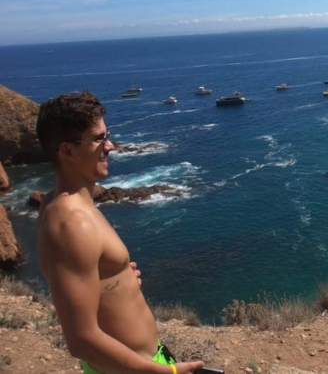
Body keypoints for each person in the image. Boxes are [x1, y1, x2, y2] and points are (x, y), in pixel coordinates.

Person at [35, 90, 206, 374]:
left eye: (107, 135)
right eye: (98, 138)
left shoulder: (61, 203)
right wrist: (164, 371)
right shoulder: (73, 224)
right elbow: (80, 340)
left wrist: (119, 277)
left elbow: (86, 277)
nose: (111, 146)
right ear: (67, 150)